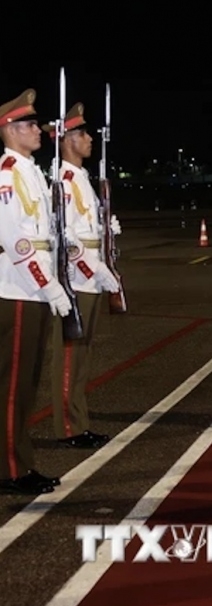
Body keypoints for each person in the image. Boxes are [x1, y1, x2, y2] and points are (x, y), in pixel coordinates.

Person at [0, 90, 71, 494]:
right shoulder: (9, 173)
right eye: (28, 125)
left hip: (32, 289)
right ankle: (11, 469)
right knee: (13, 386)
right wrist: (48, 286)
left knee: (24, 385)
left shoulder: (30, 171)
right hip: (20, 290)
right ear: (9, 129)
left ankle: (17, 462)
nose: (37, 130)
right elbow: (16, 240)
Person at [42, 103, 122, 448]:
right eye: (84, 134)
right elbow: (66, 236)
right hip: (75, 277)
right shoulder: (63, 180)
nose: (90, 139)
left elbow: (85, 229)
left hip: (88, 275)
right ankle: (69, 428)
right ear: (68, 139)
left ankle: (79, 420)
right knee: (69, 355)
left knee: (83, 354)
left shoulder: (81, 179)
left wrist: (107, 232)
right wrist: (95, 267)